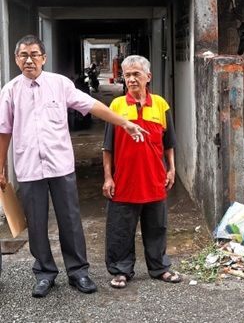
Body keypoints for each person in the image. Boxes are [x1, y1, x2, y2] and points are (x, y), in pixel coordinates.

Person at [0, 35, 148, 298]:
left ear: (44, 58)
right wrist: (0, 167)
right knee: (36, 222)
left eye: (34, 54)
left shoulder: (59, 84)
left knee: (70, 220)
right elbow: (4, 132)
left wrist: (123, 122)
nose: (29, 60)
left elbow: (92, 106)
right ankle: (44, 273)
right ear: (16, 60)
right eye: (23, 55)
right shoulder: (10, 91)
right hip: (29, 166)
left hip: (61, 166)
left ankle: (78, 271)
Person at [102, 55, 180, 289]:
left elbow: (169, 143)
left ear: (148, 77)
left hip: (155, 178)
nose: (131, 79)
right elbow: (108, 147)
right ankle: (121, 270)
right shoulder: (116, 106)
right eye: (127, 75)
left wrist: (172, 169)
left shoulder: (160, 105)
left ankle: (159, 268)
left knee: (157, 227)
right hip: (124, 180)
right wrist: (108, 176)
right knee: (120, 229)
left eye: (136, 74)